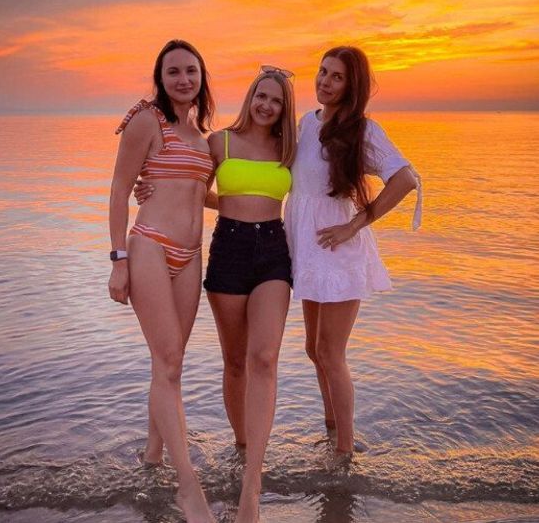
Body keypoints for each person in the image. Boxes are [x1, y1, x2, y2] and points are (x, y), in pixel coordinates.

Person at [134, 66, 297, 523]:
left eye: (276, 101)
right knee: (236, 361)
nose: (267, 105)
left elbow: (315, 193)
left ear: (285, 109)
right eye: (261, 96)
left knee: (265, 357)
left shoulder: (290, 150)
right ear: (250, 97)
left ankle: (252, 485)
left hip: (274, 252)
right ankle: (242, 446)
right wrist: (146, 187)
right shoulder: (218, 142)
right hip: (228, 249)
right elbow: (190, 189)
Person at [286, 46, 420, 458]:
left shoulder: (363, 130)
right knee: (313, 348)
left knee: (331, 351)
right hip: (308, 249)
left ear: (352, 85)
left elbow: (406, 178)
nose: (324, 81)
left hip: (338, 249)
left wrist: (356, 223)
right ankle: (331, 428)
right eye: (322, 72)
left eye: (336, 76)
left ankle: (344, 451)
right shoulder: (307, 123)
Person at [109, 39, 217, 523]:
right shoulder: (147, 120)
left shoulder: (202, 134)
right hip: (151, 245)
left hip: (192, 256)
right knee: (170, 360)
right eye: (173, 71)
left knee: (168, 363)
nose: (183, 79)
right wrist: (118, 259)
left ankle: (152, 461)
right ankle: (187, 486)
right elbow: (118, 187)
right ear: (161, 76)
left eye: (191, 71)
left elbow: (196, 193)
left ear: (202, 77)